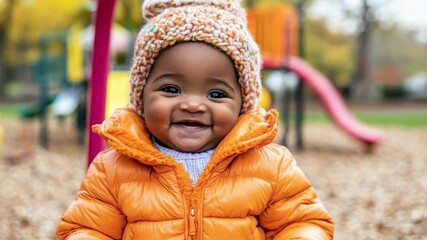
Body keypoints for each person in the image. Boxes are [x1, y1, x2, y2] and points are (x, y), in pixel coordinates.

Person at [57, 0, 334, 239]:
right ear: (141, 96)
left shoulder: (269, 166)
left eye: (215, 93)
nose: (191, 104)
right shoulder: (113, 169)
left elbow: (301, 222)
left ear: (242, 103)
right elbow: (89, 228)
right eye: (171, 89)